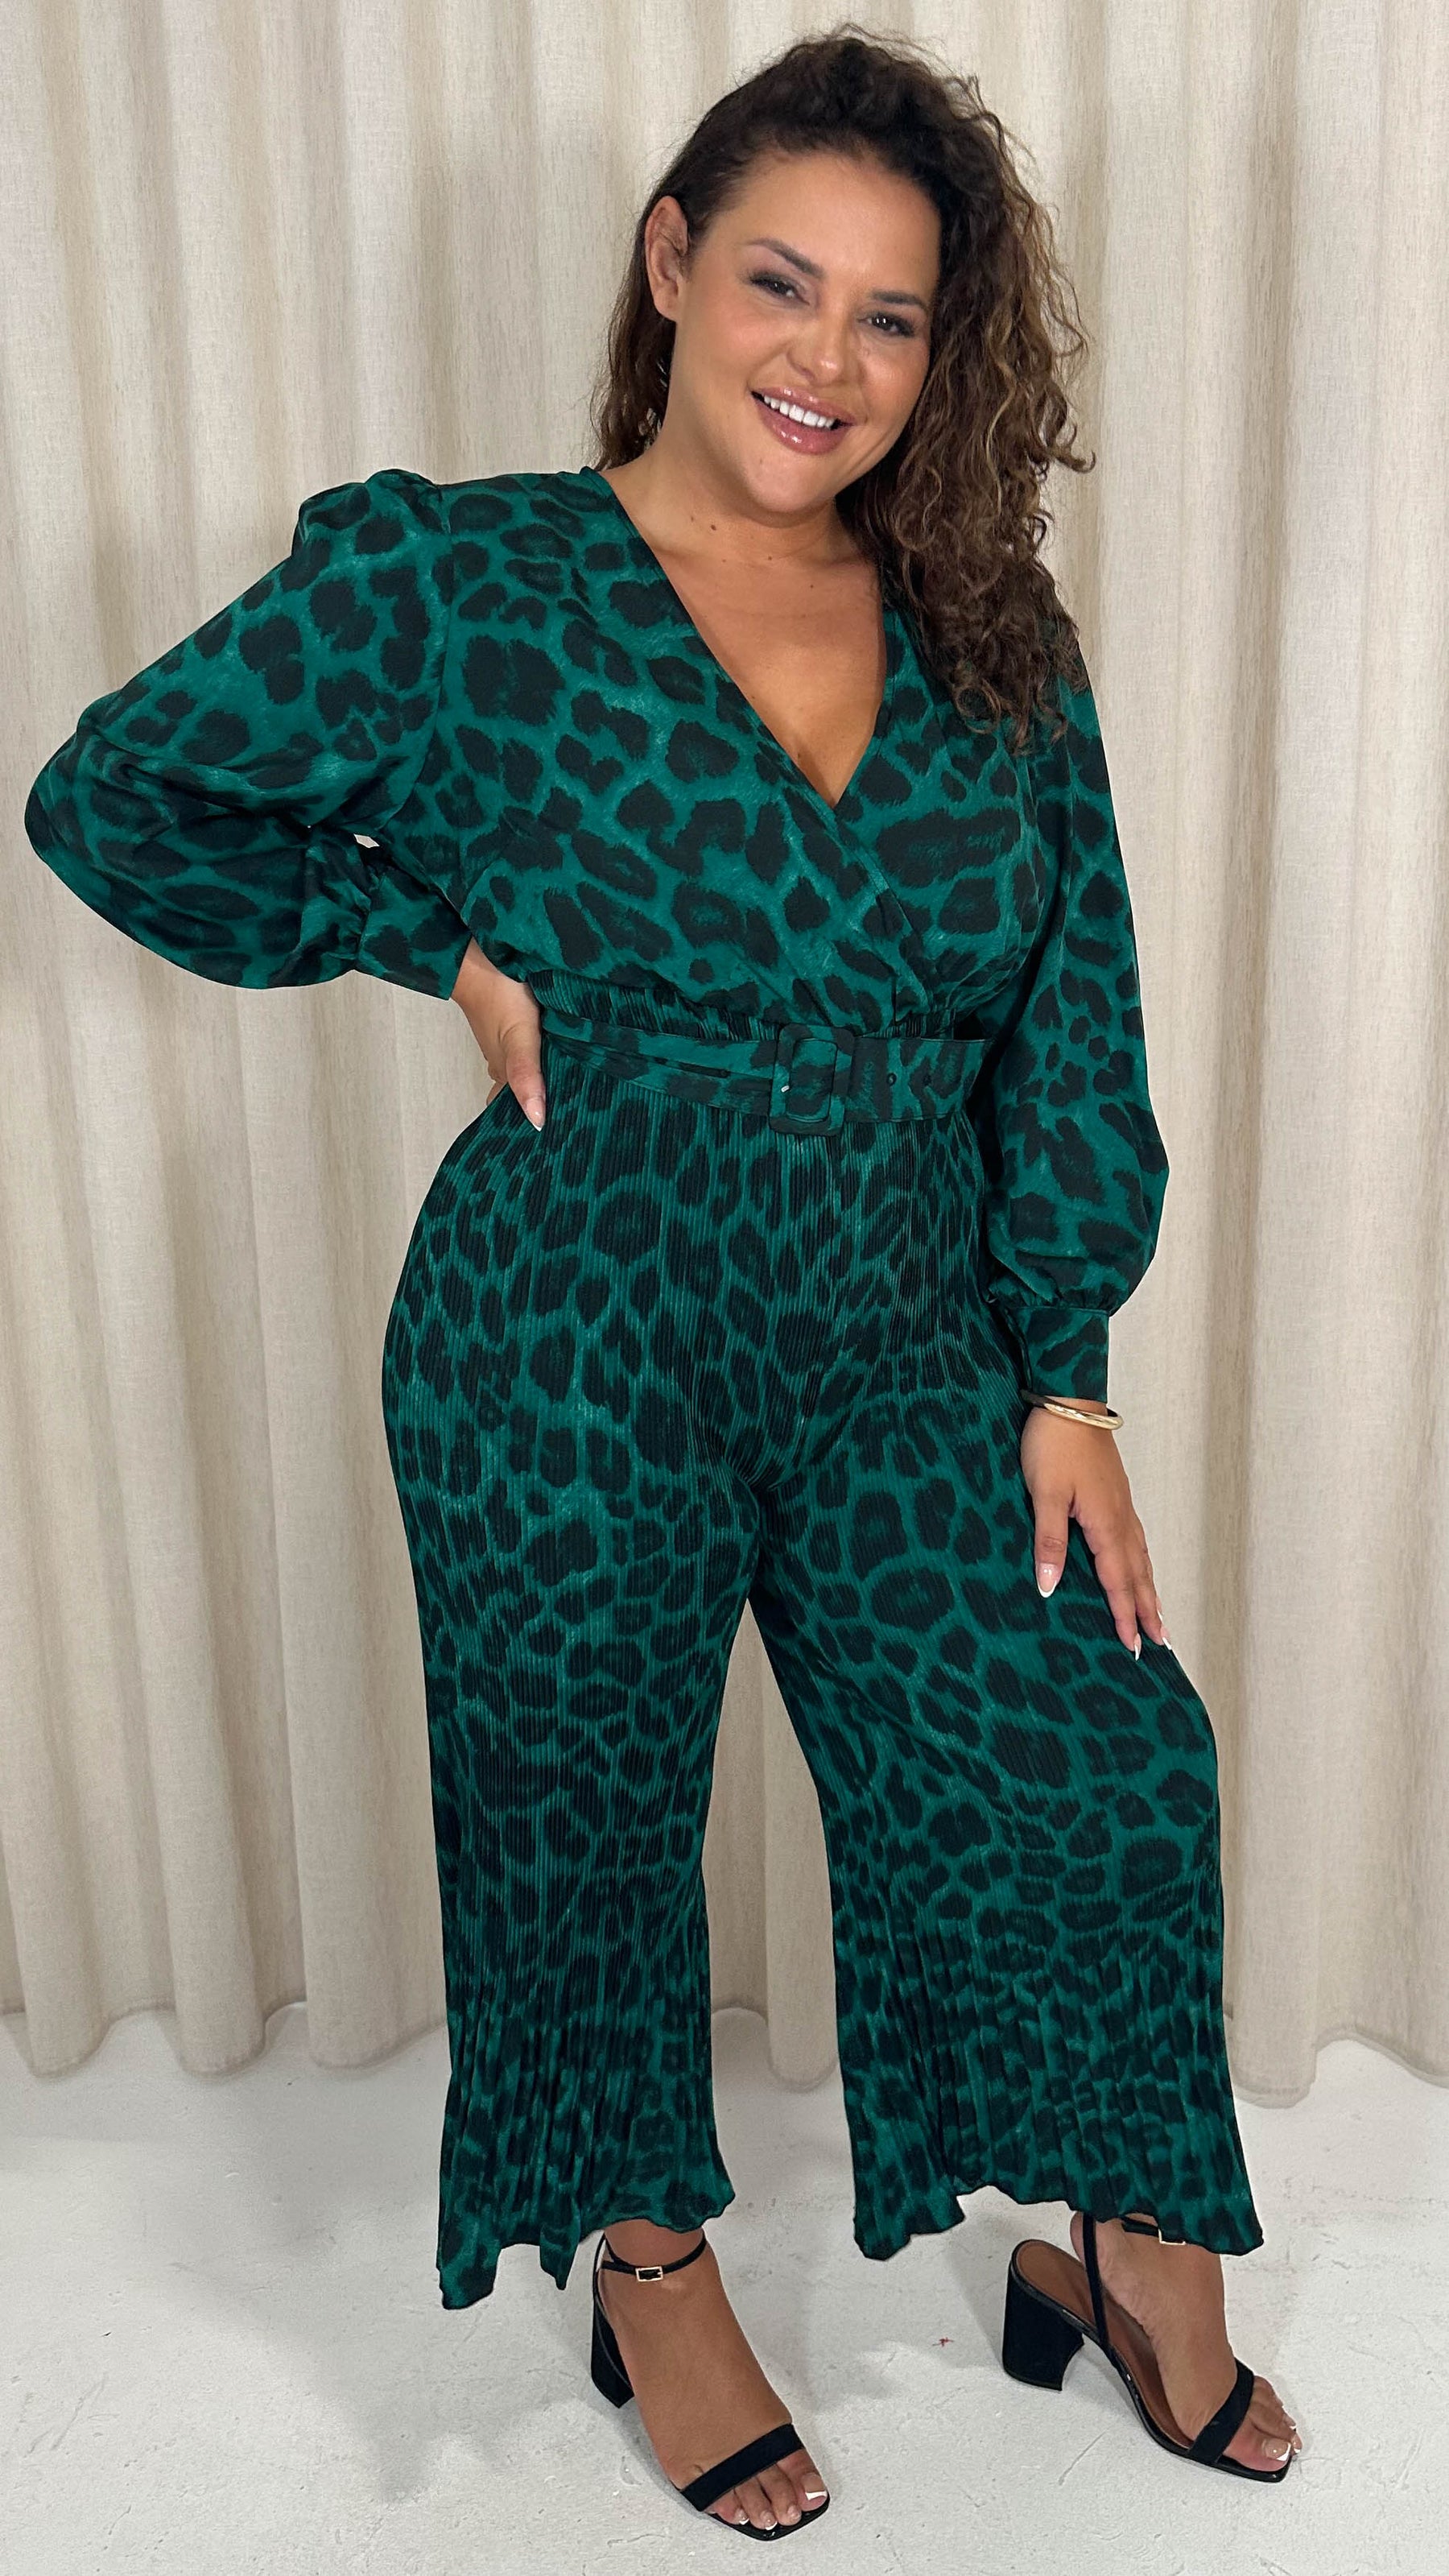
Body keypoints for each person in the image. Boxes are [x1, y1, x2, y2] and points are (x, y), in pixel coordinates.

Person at [24, 24, 1301, 2543]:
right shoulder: (459, 581)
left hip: (912, 1337)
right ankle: (649, 2267)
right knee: (582, 1817)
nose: (828, 358)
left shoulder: (989, 632)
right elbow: (116, 795)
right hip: (570, 1323)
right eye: (782, 284)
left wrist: (1067, 1377)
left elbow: (1073, 1014)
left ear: (942, 354)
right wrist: (429, 940)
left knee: (1103, 1761)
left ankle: (1136, 2237)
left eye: (893, 316)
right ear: (673, 267)